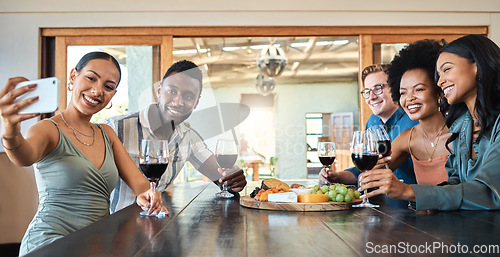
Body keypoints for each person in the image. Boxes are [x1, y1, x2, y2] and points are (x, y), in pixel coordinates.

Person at [0, 52, 166, 255]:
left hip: (97, 244)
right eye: (91, 78)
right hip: (50, 242)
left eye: (108, 86)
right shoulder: (47, 129)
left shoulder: (107, 134)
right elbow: (22, 157)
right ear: (73, 77)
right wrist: (9, 130)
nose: (97, 91)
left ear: (113, 94)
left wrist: (149, 195)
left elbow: (141, 187)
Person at [359, 34, 500, 211]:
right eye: (438, 75)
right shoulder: (463, 127)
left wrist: (410, 192)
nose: (440, 81)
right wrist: (424, 201)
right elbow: (456, 182)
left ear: (477, 66)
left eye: (446, 69)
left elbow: (490, 193)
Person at [107, 60, 247, 213]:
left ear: (196, 102)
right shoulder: (115, 128)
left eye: (188, 96)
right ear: (159, 90)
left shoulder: (188, 137)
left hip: (156, 227)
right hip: (114, 227)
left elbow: (221, 177)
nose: (178, 102)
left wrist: (233, 180)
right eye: (172, 91)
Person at [319, 64, 418, 186]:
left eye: (378, 89)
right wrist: (336, 176)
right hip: (379, 200)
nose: (371, 97)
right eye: (367, 91)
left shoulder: (413, 120)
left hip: (411, 201)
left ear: (395, 87)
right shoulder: (372, 121)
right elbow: (365, 169)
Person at [374, 39, 451, 186]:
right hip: (417, 210)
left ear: (439, 92)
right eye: (403, 93)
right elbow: (374, 174)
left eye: (419, 89)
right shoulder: (407, 139)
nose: (409, 98)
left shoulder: (461, 135)